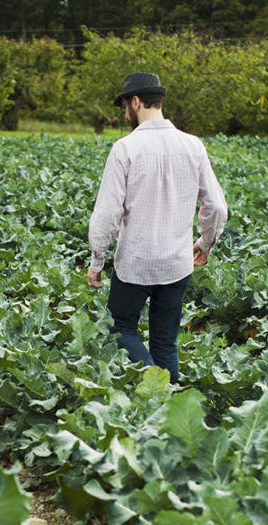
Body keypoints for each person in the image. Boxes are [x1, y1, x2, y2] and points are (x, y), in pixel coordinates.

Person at [88, 71, 228, 383]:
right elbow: (217, 207)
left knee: (119, 328)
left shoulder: (125, 149)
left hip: (135, 263)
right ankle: (169, 402)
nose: (125, 112)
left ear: (136, 102)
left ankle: (156, 386)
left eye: (125, 105)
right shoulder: (193, 145)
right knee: (165, 340)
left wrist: (97, 260)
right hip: (177, 262)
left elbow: (107, 214)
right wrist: (206, 243)